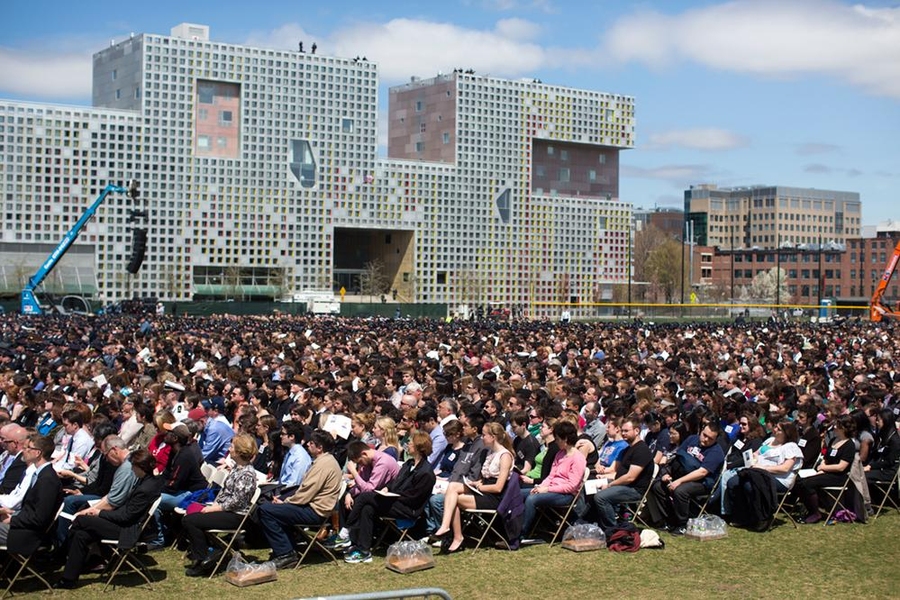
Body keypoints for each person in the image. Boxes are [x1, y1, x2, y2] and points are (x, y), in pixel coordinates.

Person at [54, 448, 164, 589]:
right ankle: (69, 578)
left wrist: (98, 513)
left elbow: (126, 516)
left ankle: (64, 554)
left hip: (128, 531)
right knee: (82, 534)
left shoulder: (144, 489)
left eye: (133, 466)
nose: (132, 469)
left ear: (140, 467)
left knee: (81, 520)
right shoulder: (148, 482)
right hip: (126, 524)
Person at [342, 432, 436, 564]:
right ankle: (364, 550)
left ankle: (346, 530)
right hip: (396, 501)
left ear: (418, 446)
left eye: (410, 442)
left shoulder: (426, 472)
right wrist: (387, 489)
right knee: (367, 508)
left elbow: (414, 498)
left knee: (364, 497)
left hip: (408, 508)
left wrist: (393, 497)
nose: (407, 444)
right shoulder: (409, 464)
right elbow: (395, 482)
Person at [256, 430, 343, 569]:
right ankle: (288, 549)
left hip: (316, 512)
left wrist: (285, 502)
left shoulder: (324, 464)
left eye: (312, 443)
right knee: (272, 509)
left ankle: (286, 554)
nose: (308, 445)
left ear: (320, 448)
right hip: (313, 507)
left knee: (266, 510)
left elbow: (306, 492)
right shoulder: (325, 461)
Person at [183, 433, 260, 576]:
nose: (229, 449)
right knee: (191, 514)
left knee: (190, 521)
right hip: (226, 509)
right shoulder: (238, 468)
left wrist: (215, 508)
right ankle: (211, 550)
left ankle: (203, 557)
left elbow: (237, 501)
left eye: (232, 446)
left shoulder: (247, 474)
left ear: (238, 451)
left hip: (236, 515)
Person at [434, 422, 513, 553]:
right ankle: (447, 527)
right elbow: (485, 477)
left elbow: (499, 487)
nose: (482, 438)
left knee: (455, 500)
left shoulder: (505, 456)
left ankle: (457, 537)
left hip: (494, 497)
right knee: (453, 487)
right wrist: (476, 483)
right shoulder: (490, 453)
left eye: (484, 435)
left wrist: (480, 487)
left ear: (493, 437)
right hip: (483, 489)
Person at [648, 422, 725, 536]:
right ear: (701, 431)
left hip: (702, 482)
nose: (705, 439)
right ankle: (668, 519)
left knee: (680, 491)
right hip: (681, 474)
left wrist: (679, 481)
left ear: (715, 439)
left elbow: (702, 472)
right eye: (704, 435)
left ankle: (682, 524)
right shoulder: (691, 439)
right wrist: (667, 473)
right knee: (658, 486)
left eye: (710, 438)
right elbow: (678, 457)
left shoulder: (716, 452)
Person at [727, 421, 803, 531]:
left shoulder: (791, 447)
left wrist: (763, 468)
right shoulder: (769, 440)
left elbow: (785, 468)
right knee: (733, 482)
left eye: (779, 429)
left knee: (750, 486)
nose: (775, 429)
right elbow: (756, 453)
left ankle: (761, 517)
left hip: (779, 479)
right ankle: (742, 516)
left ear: (787, 433)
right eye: (776, 426)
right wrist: (754, 460)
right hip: (756, 472)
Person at [520, 420, 587, 541]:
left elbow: (571, 486)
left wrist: (546, 489)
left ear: (565, 439)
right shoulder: (560, 454)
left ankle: (523, 533)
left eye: (557, 439)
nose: (556, 441)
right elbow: (551, 476)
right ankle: (511, 527)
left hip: (566, 494)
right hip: (552, 489)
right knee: (518, 493)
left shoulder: (578, 458)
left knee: (531, 499)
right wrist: (540, 487)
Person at [0, 434, 63, 552]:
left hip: (28, 535)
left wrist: (12, 519)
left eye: (28, 448)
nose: (24, 451)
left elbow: (39, 518)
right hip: (21, 525)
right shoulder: (40, 475)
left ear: (37, 453)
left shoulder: (47, 480)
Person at [591, 414, 654, 530]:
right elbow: (618, 472)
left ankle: (612, 530)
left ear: (636, 430)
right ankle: (588, 522)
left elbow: (630, 477)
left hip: (634, 489)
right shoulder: (627, 449)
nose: (623, 433)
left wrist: (609, 484)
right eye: (622, 431)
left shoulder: (642, 450)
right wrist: (603, 478)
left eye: (626, 431)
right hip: (621, 484)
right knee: (588, 487)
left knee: (601, 497)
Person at [797, 414, 856, 524]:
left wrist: (824, 467)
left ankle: (815, 512)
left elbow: (841, 467)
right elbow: (826, 457)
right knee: (799, 480)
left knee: (807, 484)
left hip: (838, 476)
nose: (834, 427)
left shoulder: (849, 445)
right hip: (826, 472)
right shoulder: (834, 440)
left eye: (837, 425)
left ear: (843, 427)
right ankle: (811, 508)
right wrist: (822, 467)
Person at [278, 420, 312, 489]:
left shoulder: (300, 457)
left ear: (292, 437)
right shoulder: (290, 452)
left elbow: (294, 485)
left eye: (283, 434)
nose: (280, 436)